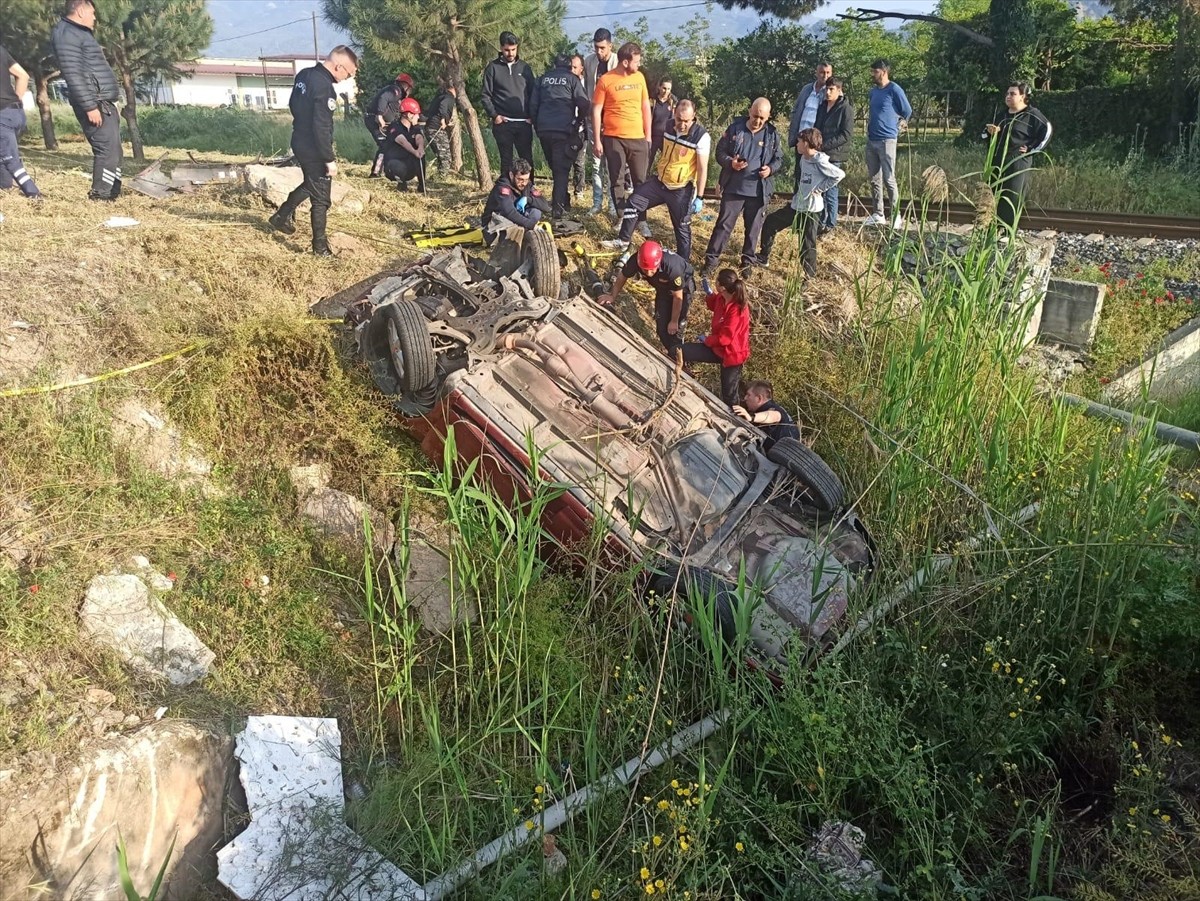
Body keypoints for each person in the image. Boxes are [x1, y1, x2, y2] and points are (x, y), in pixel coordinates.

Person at [267, 45, 359, 256]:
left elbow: (293, 105)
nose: (347, 78)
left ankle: (282, 215)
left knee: (312, 184)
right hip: (314, 146)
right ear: (338, 66)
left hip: (299, 139)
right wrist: (329, 158)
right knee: (321, 199)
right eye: (348, 73)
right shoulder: (324, 87)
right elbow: (322, 126)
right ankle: (320, 248)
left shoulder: (304, 75)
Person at [603, 99, 709, 263]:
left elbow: (702, 168)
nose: (681, 124)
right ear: (674, 113)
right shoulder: (667, 126)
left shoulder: (701, 136)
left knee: (681, 226)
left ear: (694, 116)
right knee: (634, 202)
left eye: (686, 121)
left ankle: (683, 263)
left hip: (681, 188)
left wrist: (700, 197)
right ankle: (623, 241)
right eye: (679, 119)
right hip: (660, 182)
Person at [702, 97, 783, 277]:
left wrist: (770, 170)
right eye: (755, 116)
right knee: (723, 225)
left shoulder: (772, 135)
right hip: (733, 188)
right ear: (749, 111)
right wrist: (731, 163)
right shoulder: (735, 129)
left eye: (762, 118)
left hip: (759, 191)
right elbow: (719, 152)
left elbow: (779, 159)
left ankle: (747, 262)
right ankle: (711, 260)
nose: (758, 121)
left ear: (768, 117)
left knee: (753, 229)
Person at [51, 0, 122, 201]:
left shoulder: (79, 33)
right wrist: (90, 106)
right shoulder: (67, 34)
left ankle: (113, 193)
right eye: (92, 13)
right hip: (95, 102)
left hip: (104, 102)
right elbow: (72, 74)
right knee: (106, 150)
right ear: (81, 11)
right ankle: (100, 196)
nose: (95, 18)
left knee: (114, 151)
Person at [758, 127, 844, 276]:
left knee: (807, 244)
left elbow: (839, 175)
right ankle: (763, 256)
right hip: (797, 206)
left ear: (806, 143)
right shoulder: (804, 159)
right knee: (771, 222)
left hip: (811, 210)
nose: (796, 145)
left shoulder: (820, 161)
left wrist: (821, 188)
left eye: (798, 142)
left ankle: (809, 276)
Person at [597, 240, 693, 357]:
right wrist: (612, 296)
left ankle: (681, 357)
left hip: (682, 290)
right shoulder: (636, 260)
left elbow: (678, 297)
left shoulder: (672, 268)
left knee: (675, 329)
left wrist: (674, 321)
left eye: (652, 269)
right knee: (662, 328)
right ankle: (670, 353)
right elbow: (623, 275)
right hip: (663, 290)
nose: (648, 273)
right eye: (644, 270)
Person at [592, 41, 651, 222]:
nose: (638, 65)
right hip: (613, 138)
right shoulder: (606, 80)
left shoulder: (640, 77)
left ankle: (641, 220)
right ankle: (622, 218)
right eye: (636, 61)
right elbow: (595, 111)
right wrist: (597, 140)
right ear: (625, 62)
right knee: (617, 179)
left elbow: (645, 107)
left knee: (640, 181)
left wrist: (648, 136)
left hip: (638, 138)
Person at [985, 82, 1052, 230]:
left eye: (1012, 94)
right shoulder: (1001, 114)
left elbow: (1047, 130)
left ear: (1022, 96)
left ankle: (1007, 231)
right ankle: (991, 229)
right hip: (996, 160)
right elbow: (984, 134)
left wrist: (1032, 149)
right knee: (993, 193)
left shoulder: (1032, 114)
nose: (1008, 96)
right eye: (1007, 94)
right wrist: (990, 133)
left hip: (1017, 162)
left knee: (1012, 196)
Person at [531, 53, 589, 219]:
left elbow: (533, 104)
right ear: (569, 66)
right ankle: (558, 209)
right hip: (562, 130)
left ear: (554, 65)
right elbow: (584, 103)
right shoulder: (572, 79)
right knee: (561, 170)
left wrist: (537, 125)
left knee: (555, 167)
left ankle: (564, 200)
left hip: (544, 130)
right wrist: (577, 121)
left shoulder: (542, 79)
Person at [682, 268, 749, 407]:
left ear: (722, 287)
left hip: (731, 355)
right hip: (717, 348)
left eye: (717, 280)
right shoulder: (722, 297)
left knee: (729, 397)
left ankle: (739, 419)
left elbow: (725, 339)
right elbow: (714, 306)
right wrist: (709, 294)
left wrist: (706, 340)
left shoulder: (737, 309)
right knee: (682, 351)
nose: (715, 281)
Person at [863, 58, 911, 228]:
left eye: (875, 71)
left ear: (883, 71)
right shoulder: (874, 91)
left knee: (889, 178)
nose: (872, 74)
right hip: (872, 139)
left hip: (887, 139)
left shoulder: (894, 89)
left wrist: (898, 126)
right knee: (875, 179)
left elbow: (907, 110)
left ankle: (896, 215)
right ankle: (878, 213)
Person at [482, 31, 535, 178]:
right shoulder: (492, 68)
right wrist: (495, 116)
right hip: (503, 124)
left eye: (513, 49)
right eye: (507, 50)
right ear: (500, 48)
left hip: (524, 123)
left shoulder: (525, 68)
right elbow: (485, 95)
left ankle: (529, 193)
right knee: (506, 161)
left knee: (527, 160)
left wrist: (532, 116)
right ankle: (506, 195)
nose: (510, 53)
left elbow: (534, 94)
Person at [0, 44, 42, 200]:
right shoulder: (2, 50)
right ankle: (5, 187)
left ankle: (33, 193)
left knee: (9, 158)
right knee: (2, 152)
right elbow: (23, 75)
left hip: (1, 115)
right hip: (15, 112)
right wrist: (16, 101)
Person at [583, 29, 616, 215]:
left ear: (610, 46)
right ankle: (596, 203)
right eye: (596, 47)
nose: (599, 51)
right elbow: (587, 88)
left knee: (612, 166)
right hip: (593, 120)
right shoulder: (589, 62)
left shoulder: (618, 62)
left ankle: (612, 204)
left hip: (612, 121)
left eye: (602, 48)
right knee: (596, 164)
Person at [481, 158, 552, 246]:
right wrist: (532, 225)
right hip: (496, 223)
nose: (524, 183)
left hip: (516, 220)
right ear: (511, 175)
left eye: (526, 179)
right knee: (511, 229)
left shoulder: (526, 184)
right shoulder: (502, 188)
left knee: (536, 212)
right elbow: (509, 212)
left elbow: (546, 206)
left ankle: (524, 236)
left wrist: (529, 199)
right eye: (520, 179)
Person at [812, 78, 852, 233]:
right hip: (820, 152)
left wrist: (825, 145)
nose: (828, 92)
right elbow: (817, 126)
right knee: (820, 189)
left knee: (831, 190)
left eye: (832, 89)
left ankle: (830, 224)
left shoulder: (845, 108)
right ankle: (821, 222)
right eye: (827, 89)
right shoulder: (822, 106)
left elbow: (846, 134)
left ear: (839, 90)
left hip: (834, 154)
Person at [786, 61, 832, 181]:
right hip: (801, 139)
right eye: (822, 72)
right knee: (799, 175)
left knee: (813, 178)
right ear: (816, 73)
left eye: (828, 73)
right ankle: (798, 199)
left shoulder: (830, 92)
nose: (825, 76)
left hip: (814, 143)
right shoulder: (807, 89)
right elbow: (796, 110)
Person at [365, 73, 414, 177]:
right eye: (409, 88)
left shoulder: (397, 94)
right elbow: (384, 97)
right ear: (405, 85)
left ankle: (383, 170)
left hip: (377, 120)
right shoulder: (395, 90)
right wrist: (379, 115)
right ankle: (375, 173)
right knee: (384, 145)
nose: (409, 91)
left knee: (388, 144)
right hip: (375, 120)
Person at [734, 380, 800, 451]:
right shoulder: (772, 407)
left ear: (759, 398)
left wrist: (752, 418)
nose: (745, 398)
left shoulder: (774, 409)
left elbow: (774, 416)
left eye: (748, 395)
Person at [383, 98, 426, 192]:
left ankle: (422, 186)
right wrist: (414, 151)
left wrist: (420, 148)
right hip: (394, 165)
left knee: (421, 156)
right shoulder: (394, 127)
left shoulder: (415, 127)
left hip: (409, 165)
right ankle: (402, 185)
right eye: (416, 114)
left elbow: (419, 137)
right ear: (409, 114)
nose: (418, 117)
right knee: (396, 166)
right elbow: (402, 141)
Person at [424, 80, 457, 174]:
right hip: (436, 128)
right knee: (445, 156)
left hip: (430, 128)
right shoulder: (449, 97)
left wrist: (447, 121)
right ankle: (442, 176)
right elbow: (443, 106)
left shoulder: (440, 96)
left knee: (441, 155)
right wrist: (443, 119)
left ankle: (439, 175)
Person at [569, 54, 588, 198]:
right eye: (570, 67)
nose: (572, 70)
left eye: (575, 67)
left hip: (582, 128)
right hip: (567, 127)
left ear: (582, 68)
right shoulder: (566, 83)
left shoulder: (587, 85)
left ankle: (579, 190)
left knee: (579, 162)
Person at [649, 77, 676, 165]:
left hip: (666, 138)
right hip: (652, 137)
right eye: (664, 88)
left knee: (667, 161)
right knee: (647, 162)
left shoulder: (672, 102)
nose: (666, 91)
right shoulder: (652, 101)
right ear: (659, 87)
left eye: (668, 89)